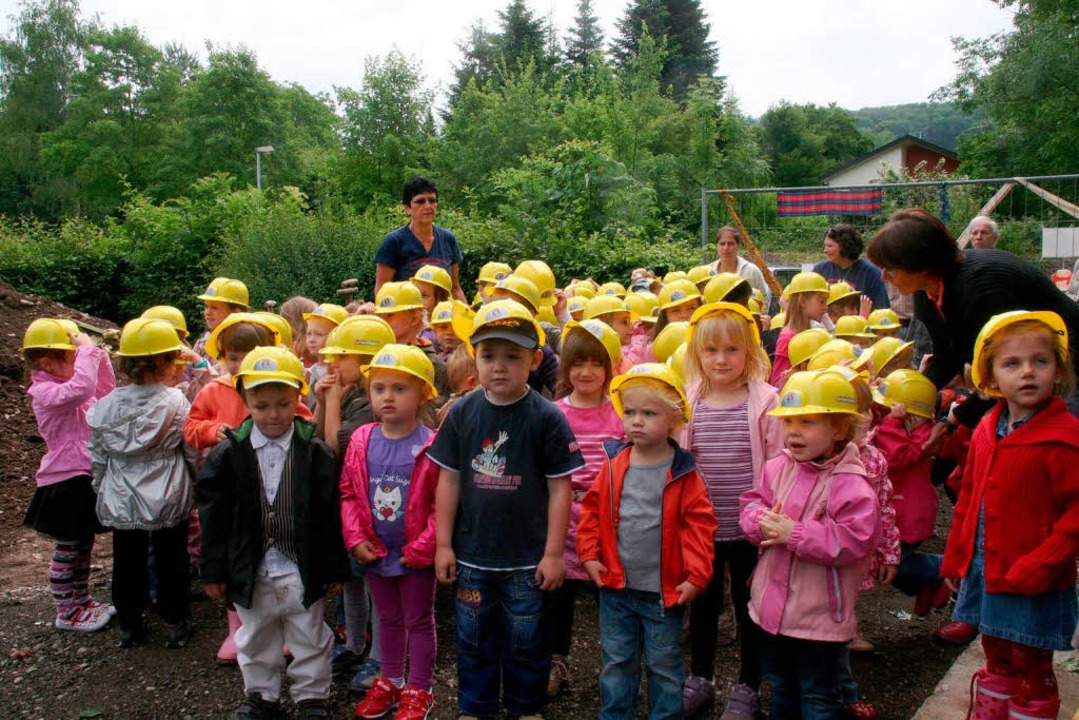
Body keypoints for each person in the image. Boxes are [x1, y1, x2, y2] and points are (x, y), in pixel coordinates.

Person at [429, 299, 585, 720]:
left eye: (512, 357)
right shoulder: (461, 413)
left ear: (535, 360)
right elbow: (448, 480)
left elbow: (560, 489)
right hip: (472, 557)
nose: (499, 366)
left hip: (527, 561)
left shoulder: (546, 417)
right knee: (472, 639)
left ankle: (525, 707)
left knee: (527, 640)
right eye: (488, 356)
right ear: (473, 359)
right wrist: (443, 545)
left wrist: (554, 554)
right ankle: (475, 708)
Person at [196, 346, 349, 720]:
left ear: (298, 397)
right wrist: (213, 570)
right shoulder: (229, 454)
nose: (273, 414)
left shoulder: (313, 452)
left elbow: (330, 514)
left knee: (308, 630)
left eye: (282, 404)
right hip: (251, 562)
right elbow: (212, 516)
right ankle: (262, 695)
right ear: (245, 399)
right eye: (261, 405)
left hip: (300, 561)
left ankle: (312, 695)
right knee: (255, 634)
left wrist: (333, 567)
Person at [941, 311, 1079, 720]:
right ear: (990, 376)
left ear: (1058, 371)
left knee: (1032, 668)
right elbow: (969, 495)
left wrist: (1046, 561)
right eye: (1012, 364)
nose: (1027, 373)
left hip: (1033, 580)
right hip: (986, 571)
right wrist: (956, 554)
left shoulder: (1065, 437)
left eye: (1040, 361)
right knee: (996, 656)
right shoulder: (987, 427)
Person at [576, 363, 717, 720]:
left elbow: (700, 527)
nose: (636, 420)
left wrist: (697, 575)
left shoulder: (685, 472)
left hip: (662, 592)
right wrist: (589, 555)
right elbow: (592, 511)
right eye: (631, 412)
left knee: (664, 664)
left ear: (673, 420)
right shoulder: (614, 463)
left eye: (649, 413)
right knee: (616, 661)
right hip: (616, 588)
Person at [739, 369, 879, 719]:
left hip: (819, 621)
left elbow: (854, 540)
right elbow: (753, 501)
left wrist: (795, 534)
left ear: (839, 430)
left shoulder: (852, 485)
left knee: (818, 695)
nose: (794, 431)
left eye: (808, 421)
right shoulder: (778, 467)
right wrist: (757, 521)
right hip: (771, 610)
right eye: (788, 422)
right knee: (781, 685)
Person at [866, 208, 1079, 428]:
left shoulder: (981, 289)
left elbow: (1000, 372)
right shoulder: (926, 292)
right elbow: (947, 357)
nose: (884, 277)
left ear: (921, 265)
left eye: (890, 270)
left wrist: (956, 419)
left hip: (1067, 369)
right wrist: (904, 391)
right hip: (1031, 374)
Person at [678, 303, 782, 719]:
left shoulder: (764, 400)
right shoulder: (689, 401)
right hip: (702, 527)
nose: (721, 359)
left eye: (732, 350)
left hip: (749, 530)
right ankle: (700, 677)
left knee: (748, 603)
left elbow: (777, 465)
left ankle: (747, 686)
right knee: (702, 605)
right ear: (697, 354)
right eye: (712, 350)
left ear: (750, 353)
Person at [340, 345, 441, 720]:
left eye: (400, 389)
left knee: (418, 619)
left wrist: (424, 548)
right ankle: (392, 678)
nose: (387, 396)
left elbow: (441, 504)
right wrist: (355, 539)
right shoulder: (363, 439)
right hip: (376, 553)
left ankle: (420, 687)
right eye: (379, 387)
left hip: (415, 555)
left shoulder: (431, 444)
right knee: (387, 620)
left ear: (422, 394)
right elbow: (349, 492)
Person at [87, 318, 195, 649]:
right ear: (165, 361)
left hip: (121, 491)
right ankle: (175, 621)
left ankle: (131, 623)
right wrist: (195, 480)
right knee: (171, 557)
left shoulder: (105, 406)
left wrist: (101, 486)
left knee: (126, 558)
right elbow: (189, 449)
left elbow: (98, 455)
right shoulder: (175, 402)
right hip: (167, 489)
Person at [547, 320, 626, 698]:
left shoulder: (621, 415)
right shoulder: (554, 414)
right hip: (563, 520)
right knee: (557, 600)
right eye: (578, 364)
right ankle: (555, 661)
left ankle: (617, 667)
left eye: (596, 364)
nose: (586, 372)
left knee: (609, 600)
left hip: (607, 524)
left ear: (610, 368)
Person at [21, 318, 116, 632]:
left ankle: (82, 599)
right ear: (48, 362)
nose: (79, 363)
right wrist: (87, 354)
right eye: (72, 358)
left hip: (83, 477)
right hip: (64, 481)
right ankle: (66, 610)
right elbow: (82, 388)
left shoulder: (71, 385)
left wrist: (98, 359)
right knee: (68, 547)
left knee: (84, 544)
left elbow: (103, 393)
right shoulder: (45, 391)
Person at [374, 176, 466, 301]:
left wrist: (466, 315)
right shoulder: (394, 242)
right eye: (420, 201)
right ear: (407, 207)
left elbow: (455, 289)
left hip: (443, 317)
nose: (428, 206)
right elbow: (381, 291)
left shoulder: (448, 239)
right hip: (408, 316)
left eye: (432, 200)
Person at [769, 272, 830, 387]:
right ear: (802, 301)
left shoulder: (814, 330)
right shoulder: (787, 338)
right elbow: (777, 384)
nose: (826, 307)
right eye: (822, 301)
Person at [813, 224, 890, 312]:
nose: (825, 250)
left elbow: (882, 310)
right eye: (825, 246)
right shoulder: (820, 270)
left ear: (845, 247)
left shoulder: (871, 272)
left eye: (830, 246)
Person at [711, 226, 772, 311]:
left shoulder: (751, 271)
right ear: (717, 246)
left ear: (738, 245)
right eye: (722, 244)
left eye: (731, 243)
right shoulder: (709, 271)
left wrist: (758, 321)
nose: (726, 248)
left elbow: (764, 298)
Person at [193, 277, 250, 362]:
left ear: (236, 313)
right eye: (206, 306)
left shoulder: (247, 344)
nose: (207, 312)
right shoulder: (202, 343)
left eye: (214, 308)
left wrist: (197, 360)